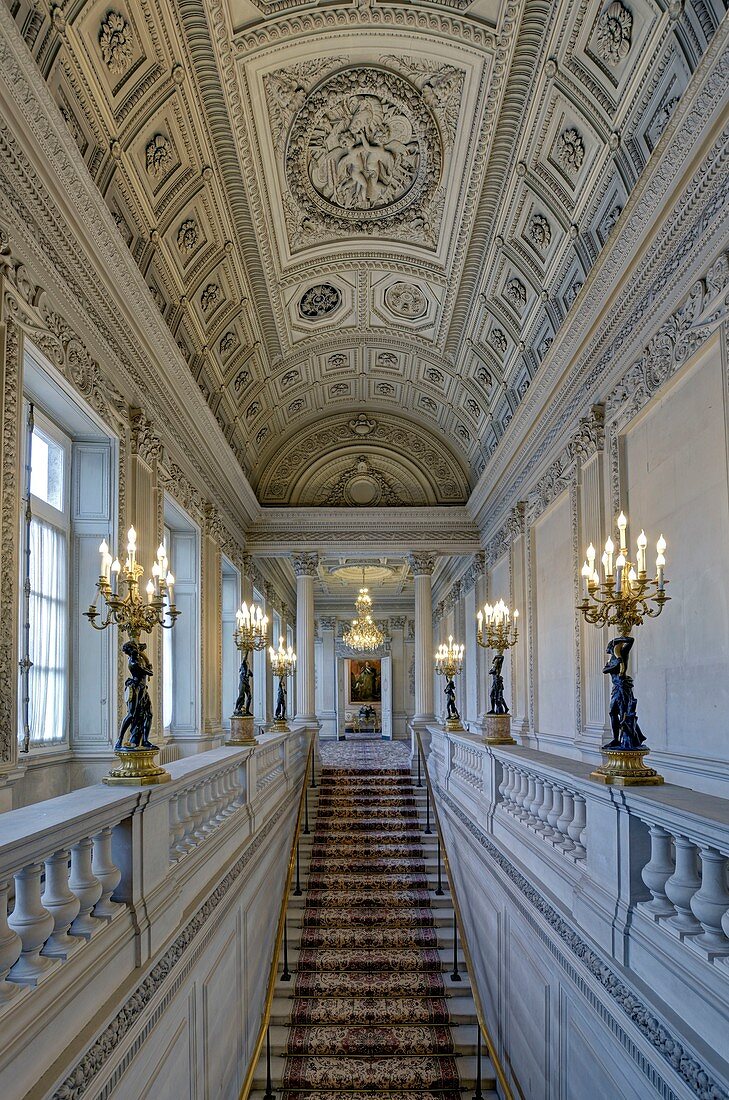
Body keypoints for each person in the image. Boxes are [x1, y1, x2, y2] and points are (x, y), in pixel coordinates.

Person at [603, 636, 645, 750]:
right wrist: (616, 664)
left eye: (610, 647)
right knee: (612, 712)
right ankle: (616, 739)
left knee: (624, 714)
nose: (608, 650)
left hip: (623, 688)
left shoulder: (622, 653)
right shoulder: (612, 660)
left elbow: (631, 640)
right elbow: (605, 670)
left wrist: (617, 640)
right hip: (616, 688)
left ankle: (628, 740)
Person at [116, 639, 155, 751]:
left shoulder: (138, 657)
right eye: (133, 649)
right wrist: (149, 665)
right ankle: (120, 739)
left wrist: (142, 651)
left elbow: (142, 647)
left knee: (149, 714)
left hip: (143, 689)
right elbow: (149, 672)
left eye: (135, 648)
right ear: (130, 652)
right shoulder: (134, 663)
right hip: (136, 689)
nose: (136, 650)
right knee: (132, 714)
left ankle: (145, 740)